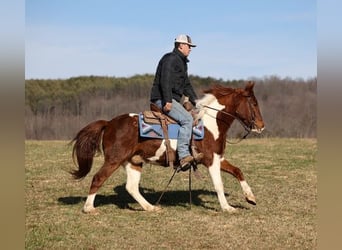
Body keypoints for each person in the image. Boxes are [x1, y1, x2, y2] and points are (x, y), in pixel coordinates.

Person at [150, 34, 199, 171]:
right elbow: (165, 80)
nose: (190, 49)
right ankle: (183, 156)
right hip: (163, 99)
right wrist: (167, 100)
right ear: (181, 45)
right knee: (188, 120)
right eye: (189, 46)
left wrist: (198, 102)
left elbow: (186, 85)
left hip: (171, 100)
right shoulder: (170, 59)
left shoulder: (182, 62)